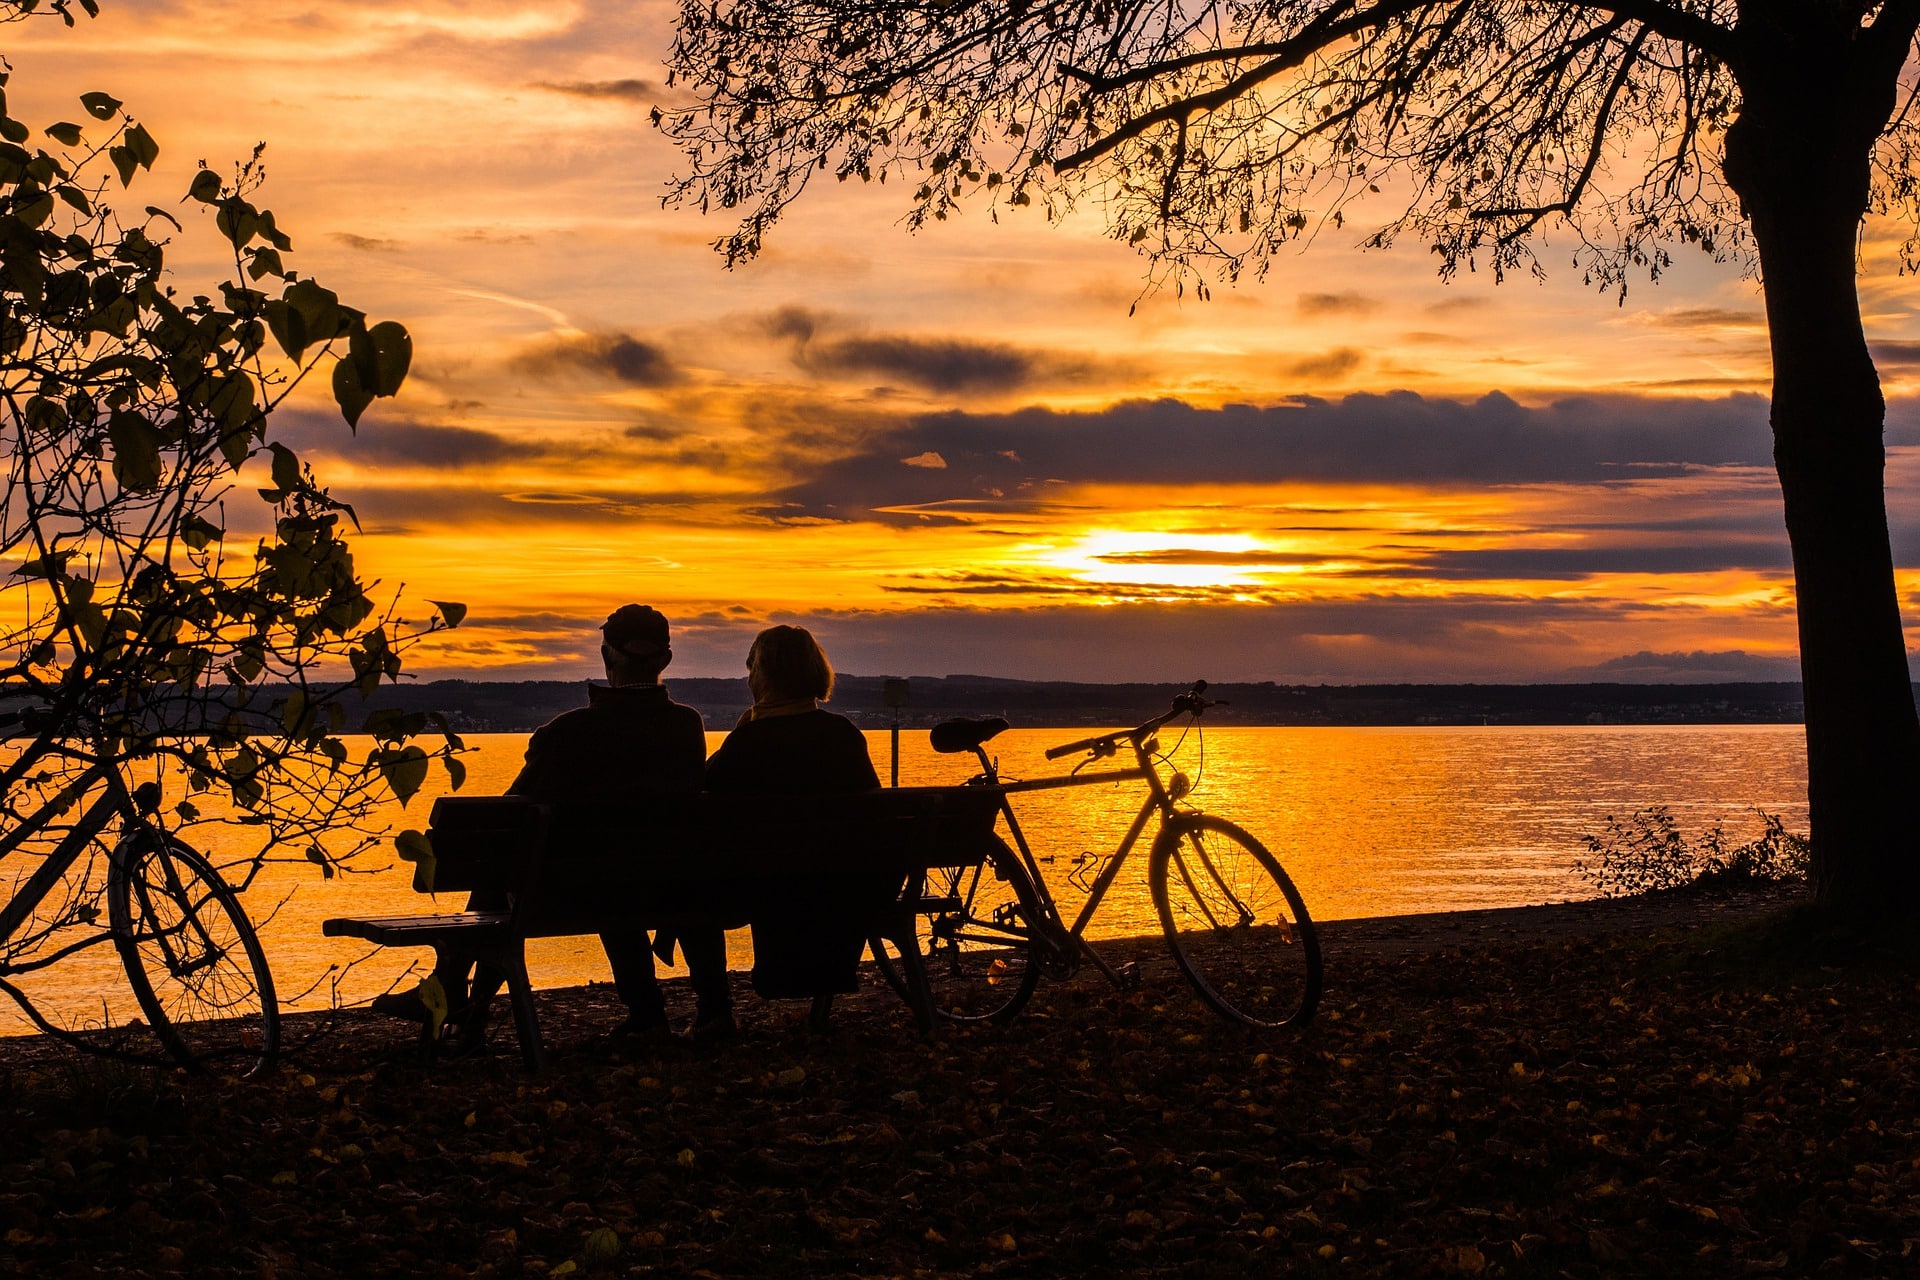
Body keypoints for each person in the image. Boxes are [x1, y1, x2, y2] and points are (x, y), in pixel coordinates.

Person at [374, 604, 731, 1045]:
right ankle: (689, 1013)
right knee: (558, 869)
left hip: (580, 893)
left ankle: (458, 997)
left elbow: (508, 817)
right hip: (673, 886)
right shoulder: (686, 726)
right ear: (666, 660)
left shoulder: (570, 732)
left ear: (606, 655)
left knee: (506, 864)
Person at [703, 625, 881, 1028]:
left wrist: (742, 730)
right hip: (848, 886)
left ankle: (713, 1012)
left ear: (763, 675)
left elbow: (705, 788)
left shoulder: (750, 742)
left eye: (750, 669)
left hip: (771, 886)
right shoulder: (845, 736)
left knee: (690, 890)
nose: (748, 678)